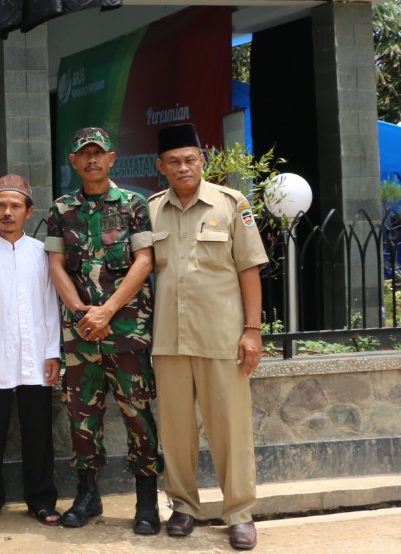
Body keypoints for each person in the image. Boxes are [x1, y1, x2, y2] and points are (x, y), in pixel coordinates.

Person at [149, 123, 268, 551]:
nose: (183, 167)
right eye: (174, 161)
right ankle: (184, 506)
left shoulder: (231, 204)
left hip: (222, 337)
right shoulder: (151, 211)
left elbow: (249, 269)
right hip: (168, 339)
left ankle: (238, 512)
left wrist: (252, 332)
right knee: (176, 431)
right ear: (161, 166)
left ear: (203, 161)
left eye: (190, 159)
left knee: (230, 428)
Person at [44, 127, 161, 535]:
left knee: (137, 414)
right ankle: (87, 495)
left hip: (127, 330)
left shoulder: (134, 204)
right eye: (84, 154)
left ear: (112, 159)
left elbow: (144, 261)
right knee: (82, 415)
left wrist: (106, 311)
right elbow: (55, 266)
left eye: (99, 152)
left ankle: (146, 499)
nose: (92, 159)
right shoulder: (61, 209)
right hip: (81, 333)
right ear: (74, 162)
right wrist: (81, 311)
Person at [0, 174, 61, 528]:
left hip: (37, 356)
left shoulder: (42, 254)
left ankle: (41, 500)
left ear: (28, 211)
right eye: (1, 206)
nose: (8, 212)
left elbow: (51, 305)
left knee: (38, 432)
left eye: (15, 206)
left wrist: (52, 351)